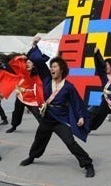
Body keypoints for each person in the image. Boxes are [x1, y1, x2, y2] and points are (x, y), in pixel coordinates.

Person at [19, 37, 95, 178]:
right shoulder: (47, 79)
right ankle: (32, 157)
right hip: (47, 117)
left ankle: (88, 164)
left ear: (62, 70)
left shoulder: (68, 86)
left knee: (70, 142)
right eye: (51, 67)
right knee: (39, 139)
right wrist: (35, 46)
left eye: (55, 67)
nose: (52, 69)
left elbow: (76, 102)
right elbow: (38, 62)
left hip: (61, 119)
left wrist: (80, 116)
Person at [5, 52, 44, 133]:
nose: (27, 64)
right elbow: (12, 63)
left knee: (37, 113)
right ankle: (14, 126)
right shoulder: (22, 71)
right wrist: (20, 57)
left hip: (31, 98)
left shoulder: (36, 75)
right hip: (21, 96)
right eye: (26, 62)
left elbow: (39, 86)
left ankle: (45, 127)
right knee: (17, 112)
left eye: (29, 63)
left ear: (34, 65)